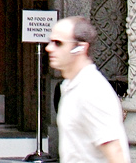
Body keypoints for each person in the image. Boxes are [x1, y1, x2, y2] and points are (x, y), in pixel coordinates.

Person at [45, 17, 129, 163]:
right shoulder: (72, 86)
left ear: (81, 48)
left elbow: (115, 153)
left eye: (58, 43)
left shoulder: (92, 91)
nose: (49, 48)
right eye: (50, 41)